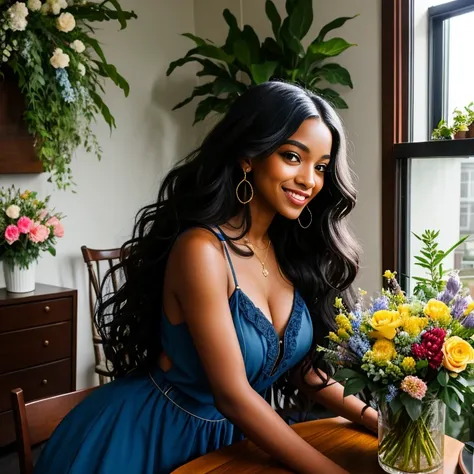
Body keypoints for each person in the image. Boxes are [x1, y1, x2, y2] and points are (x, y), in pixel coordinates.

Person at [34, 81, 378, 474]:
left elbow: (302, 370)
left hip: (239, 439)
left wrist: (379, 422)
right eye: (292, 157)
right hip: (153, 441)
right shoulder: (201, 250)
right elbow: (233, 396)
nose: (309, 180)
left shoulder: (288, 252)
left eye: (320, 166)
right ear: (249, 156)